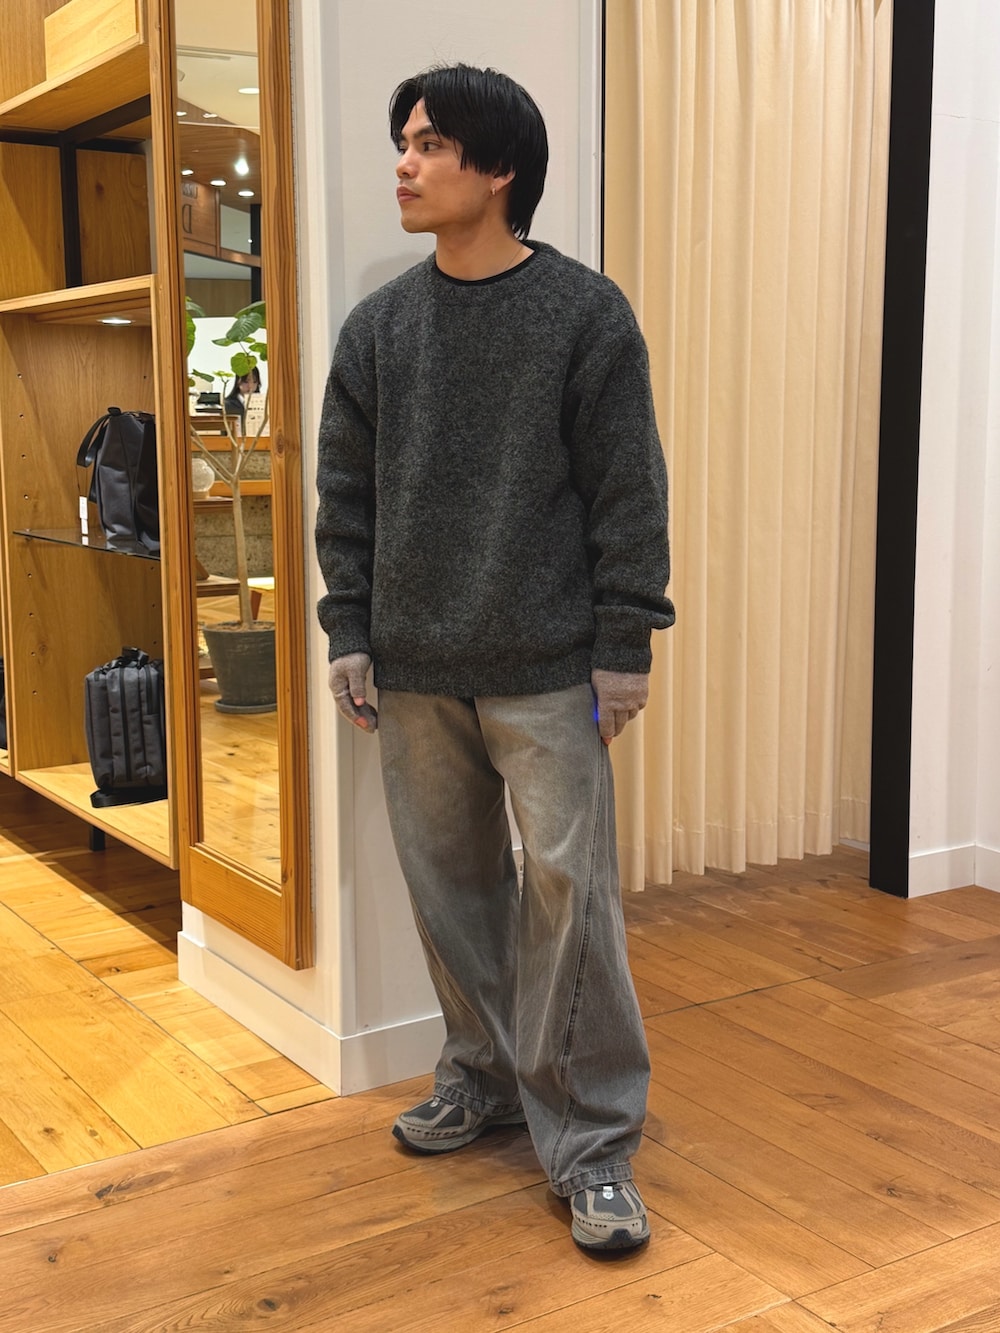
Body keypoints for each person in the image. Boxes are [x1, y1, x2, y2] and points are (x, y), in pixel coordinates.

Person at [315, 63, 674, 1252]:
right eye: (403, 141)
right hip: (413, 669)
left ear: (501, 166)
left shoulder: (583, 314)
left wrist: (624, 644)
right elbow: (345, 496)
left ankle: (592, 1142)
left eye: (429, 143)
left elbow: (628, 491)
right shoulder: (379, 329)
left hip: (552, 669)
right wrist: (349, 629)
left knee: (572, 899)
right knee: (451, 890)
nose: (404, 163)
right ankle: (480, 1074)